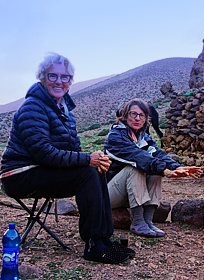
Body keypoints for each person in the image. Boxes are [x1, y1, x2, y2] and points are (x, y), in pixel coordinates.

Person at [0, 53, 132, 264]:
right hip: (20, 175)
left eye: (65, 77)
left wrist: (95, 159)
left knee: (97, 168)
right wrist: (88, 159)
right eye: (53, 76)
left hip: (43, 170)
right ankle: (94, 245)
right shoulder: (33, 107)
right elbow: (43, 153)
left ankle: (104, 239)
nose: (59, 81)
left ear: (71, 81)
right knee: (87, 171)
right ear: (42, 78)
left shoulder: (66, 111)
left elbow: (73, 149)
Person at [105, 98, 202, 237]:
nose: (138, 118)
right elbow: (138, 157)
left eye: (142, 115)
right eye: (133, 114)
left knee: (155, 172)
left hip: (130, 193)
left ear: (146, 118)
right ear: (125, 116)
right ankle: (138, 221)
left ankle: (148, 221)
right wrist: (164, 169)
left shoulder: (144, 138)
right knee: (137, 167)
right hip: (109, 193)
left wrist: (176, 167)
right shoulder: (115, 136)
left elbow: (158, 154)